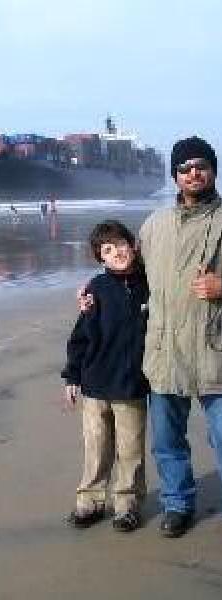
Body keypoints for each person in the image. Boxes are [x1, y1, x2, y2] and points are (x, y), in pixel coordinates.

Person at [139, 136, 222, 537]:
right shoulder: (154, 225)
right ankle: (178, 504)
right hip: (165, 350)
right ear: (175, 176)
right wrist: (92, 291)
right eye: (185, 168)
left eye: (201, 165)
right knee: (167, 441)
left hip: (215, 350)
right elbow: (130, 276)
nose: (193, 173)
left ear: (213, 171)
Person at [61, 220, 149, 532]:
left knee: (131, 451)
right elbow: (80, 337)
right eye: (107, 250)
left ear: (132, 245)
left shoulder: (149, 283)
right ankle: (90, 502)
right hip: (95, 386)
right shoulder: (95, 289)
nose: (117, 253)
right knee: (96, 448)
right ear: (100, 258)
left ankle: (127, 506)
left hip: (132, 386)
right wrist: (72, 377)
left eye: (121, 245)